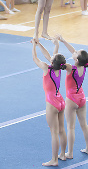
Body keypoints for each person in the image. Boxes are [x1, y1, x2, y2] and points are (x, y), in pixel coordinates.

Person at [31, 38, 67, 167]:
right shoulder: (57, 68)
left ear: (52, 61)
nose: (51, 56)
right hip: (61, 101)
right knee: (62, 130)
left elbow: (35, 58)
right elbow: (49, 55)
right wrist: (39, 43)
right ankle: (62, 154)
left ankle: (54, 160)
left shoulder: (47, 68)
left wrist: (33, 47)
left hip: (51, 103)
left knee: (54, 132)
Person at [56, 35, 88, 159]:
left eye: (76, 52)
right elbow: (74, 52)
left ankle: (70, 153)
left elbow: (58, 62)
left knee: (70, 127)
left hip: (71, 99)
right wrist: (64, 40)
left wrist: (57, 45)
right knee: (84, 124)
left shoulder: (71, 68)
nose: (74, 51)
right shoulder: (83, 65)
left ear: (76, 59)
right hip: (81, 98)